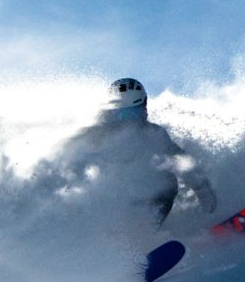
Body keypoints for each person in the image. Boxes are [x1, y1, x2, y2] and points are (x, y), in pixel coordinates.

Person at [55, 77, 218, 225]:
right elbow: (67, 164)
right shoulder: (93, 135)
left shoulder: (154, 134)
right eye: (124, 114)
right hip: (111, 202)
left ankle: (147, 236)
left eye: (137, 111)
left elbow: (182, 161)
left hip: (149, 199)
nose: (132, 120)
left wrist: (203, 190)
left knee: (164, 181)